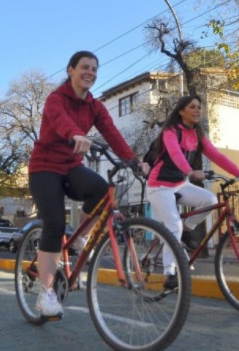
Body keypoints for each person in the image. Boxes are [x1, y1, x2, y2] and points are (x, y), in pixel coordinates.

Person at [28, 50, 148, 319]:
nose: (90, 72)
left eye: (94, 69)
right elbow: (60, 121)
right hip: (45, 167)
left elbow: (111, 132)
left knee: (101, 190)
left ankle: (82, 237)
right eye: (84, 67)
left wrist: (133, 160)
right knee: (55, 223)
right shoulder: (56, 98)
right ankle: (45, 294)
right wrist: (75, 134)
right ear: (70, 70)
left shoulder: (95, 105)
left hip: (71, 166)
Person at [146, 95, 239, 289]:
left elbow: (216, 155)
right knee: (173, 225)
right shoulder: (171, 131)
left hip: (180, 183)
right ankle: (169, 273)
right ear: (182, 111)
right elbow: (175, 153)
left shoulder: (197, 133)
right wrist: (190, 171)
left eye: (199, 107)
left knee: (210, 200)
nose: (197, 110)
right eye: (192, 107)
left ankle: (185, 230)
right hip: (159, 185)